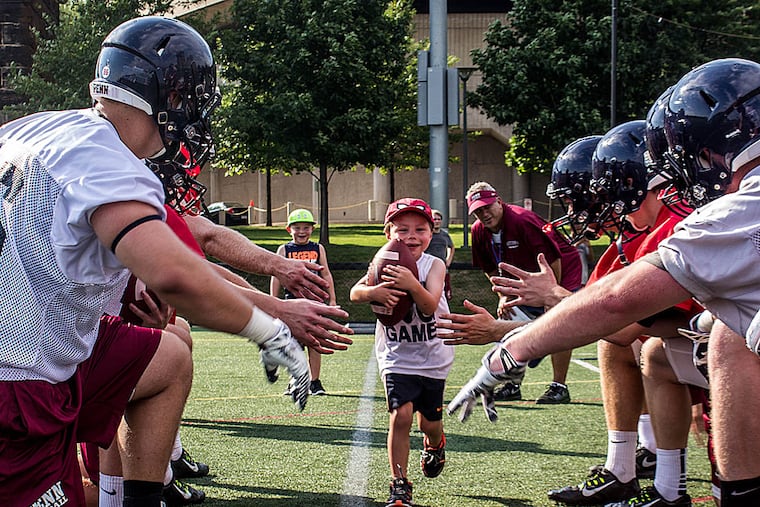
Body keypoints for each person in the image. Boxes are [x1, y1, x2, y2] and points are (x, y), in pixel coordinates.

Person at [0, 16, 347, 506]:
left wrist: (130, 290)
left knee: (167, 356)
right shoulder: (111, 163)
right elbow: (175, 274)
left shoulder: (39, 127)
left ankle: (139, 497)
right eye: (191, 102)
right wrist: (268, 327)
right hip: (20, 385)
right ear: (171, 96)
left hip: (41, 351)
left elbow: (75, 247)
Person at [446, 58, 760, 506]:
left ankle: (674, 477)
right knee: (699, 342)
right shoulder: (647, 230)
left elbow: (617, 312)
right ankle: (649, 471)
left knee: (719, 339)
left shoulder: (719, 215)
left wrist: (508, 346)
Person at [350, 198, 454, 507]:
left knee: (429, 424)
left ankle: (435, 444)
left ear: (431, 233)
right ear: (388, 233)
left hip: (433, 356)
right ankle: (399, 484)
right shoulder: (382, 260)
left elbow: (428, 305)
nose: (411, 235)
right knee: (401, 414)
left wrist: (411, 283)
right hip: (396, 355)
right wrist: (373, 292)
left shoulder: (434, 265)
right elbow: (356, 292)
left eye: (420, 229)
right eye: (402, 229)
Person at [466, 181, 582, 404]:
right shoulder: (479, 231)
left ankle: (560, 386)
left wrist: (551, 294)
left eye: (488, 207)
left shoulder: (522, 219)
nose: (485, 214)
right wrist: (504, 295)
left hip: (560, 269)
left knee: (559, 322)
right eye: (478, 211)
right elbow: (489, 268)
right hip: (525, 278)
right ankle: (512, 383)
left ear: (499, 201)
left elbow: (553, 258)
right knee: (505, 317)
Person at [271, 208, 337, 395]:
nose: (302, 231)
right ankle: (296, 380)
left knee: (314, 343)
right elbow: (276, 276)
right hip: (292, 303)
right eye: (297, 227)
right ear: (288, 229)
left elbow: (326, 273)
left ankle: (314, 382)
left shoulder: (318, 248)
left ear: (312, 229)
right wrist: (273, 302)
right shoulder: (284, 249)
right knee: (292, 344)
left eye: (306, 227)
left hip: (315, 303)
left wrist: (332, 298)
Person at [425, 209, 455, 301]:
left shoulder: (444, 235)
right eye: (434, 219)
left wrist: (448, 260)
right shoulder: (426, 234)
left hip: (443, 267)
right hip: (429, 268)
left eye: (439, 219)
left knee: (445, 293)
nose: (437, 221)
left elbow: (452, 247)